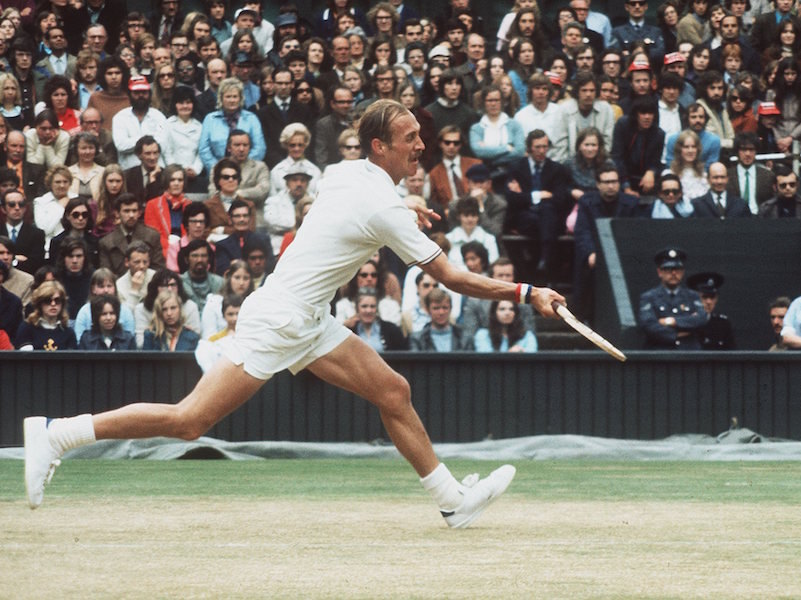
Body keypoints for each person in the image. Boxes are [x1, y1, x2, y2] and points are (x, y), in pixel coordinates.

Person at [24, 100, 565, 528]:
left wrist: (406, 207)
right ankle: (57, 435)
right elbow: (451, 277)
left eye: (421, 139)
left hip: (306, 317)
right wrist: (527, 291)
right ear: (380, 146)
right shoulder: (380, 202)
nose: (420, 147)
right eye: (410, 141)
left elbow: (356, 204)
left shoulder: (350, 172)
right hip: (281, 318)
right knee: (189, 421)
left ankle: (452, 501)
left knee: (393, 391)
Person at [573, 162, 641, 321]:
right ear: (598, 184)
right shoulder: (587, 202)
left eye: (614, 182)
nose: (611, 186)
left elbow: (635, 233)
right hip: (595, 253)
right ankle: (586, 318)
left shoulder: (631, 203)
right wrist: (590, 253)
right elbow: (583, 231)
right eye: (606, 182)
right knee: (585, 267)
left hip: (623, 253)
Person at [638, 247, 708, 349]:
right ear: (659, 272)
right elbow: (648, 325)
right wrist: (676, 335)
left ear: (683, 272)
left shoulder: (693, 296)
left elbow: (701, 319)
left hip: (689, 353)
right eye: (668, 269)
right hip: (659, 353)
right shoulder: (649, 297)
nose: (674, 273)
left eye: (677, 269)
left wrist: (671, 321)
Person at [199, 77, 266, 174]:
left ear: (241, 98)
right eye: (228, 96)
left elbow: (259, 148)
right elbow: (204, 149)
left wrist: (241, 168)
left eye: (235, 96)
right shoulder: (210, 119)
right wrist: (218, 169)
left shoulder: (251, 118)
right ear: (221, 98)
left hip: (247, 173)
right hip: (217, 172)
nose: (232, 100)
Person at [98, 193, 165, 277]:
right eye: (126, 211)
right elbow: (107, 275)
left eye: (134, 211)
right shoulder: (107, 242)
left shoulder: (152, 236)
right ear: (117, 213)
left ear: (139, 213)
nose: (131, 215)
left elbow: (159, 270)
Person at [134, 268, 202, 347]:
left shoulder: (190, 306)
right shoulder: (141, 309)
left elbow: (195, 339)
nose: (169, 289)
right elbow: (140, 344)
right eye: (164, 285)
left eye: (172, 285)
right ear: (155, 288)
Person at [111, 76, 168, 171]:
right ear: (129, 95)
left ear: (149, 94)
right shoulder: (120, 117)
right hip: (129, 171)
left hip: (156, 170)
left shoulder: (159, 116)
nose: (141, 95)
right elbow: (121, 145)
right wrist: (147, 140)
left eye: (144, 92)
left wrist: (134, 143)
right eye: (136, 93)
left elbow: (162, 145)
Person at [73, 267, 135, 341]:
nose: (106, 290)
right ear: (93, 289)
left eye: (109, 286)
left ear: (115, 288)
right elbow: (79, 340)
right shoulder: (84, 312)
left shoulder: (125, 311)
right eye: (101, 286)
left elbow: (130, 339)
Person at [447, 163, 507, 237]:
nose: (478, 186)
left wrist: (480, 206)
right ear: (468, 184)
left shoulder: (499, 204)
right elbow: (452, 232)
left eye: (482, 182)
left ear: (489, 184)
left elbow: (495, 232)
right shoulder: (455, 205)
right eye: (475, 182)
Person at [15, 279, 77, 350]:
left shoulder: (68, 332)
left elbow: (72, 360)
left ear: (62, 303)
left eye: (57, 300)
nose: (53, 304)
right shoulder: (26, 328)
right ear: (39, 304)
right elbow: (24, 358)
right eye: (48, 300)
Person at [201, 258, 253, 338]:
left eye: (246, 278)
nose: (241, 283)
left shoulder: (255, 303)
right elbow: (208, 336)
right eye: (237, 277)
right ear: (228, 277)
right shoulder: (214, 302)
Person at [727, 132, 775, 214]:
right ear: (737, 152)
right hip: (735, 219)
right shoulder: (727, 175)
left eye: (751, 150)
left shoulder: (768, 175)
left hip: (761, 219)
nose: (748, 154)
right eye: (743, 150)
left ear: (756, 151)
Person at [349, 286, 408, 351]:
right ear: (357, 309)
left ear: (377, 308)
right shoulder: (349, 331)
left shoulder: (392, 330)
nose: (369, 310)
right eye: (364, 306)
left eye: (372, 306)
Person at [687, 271, 735, 350]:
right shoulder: (683, 321)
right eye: (704, 297)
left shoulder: (722, 324)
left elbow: (732, 355)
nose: (709, 302)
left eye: (712, 297)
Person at [1, 187, 44, 275]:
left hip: (26, 279)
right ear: (3, 209)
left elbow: (35, 264)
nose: (17, 208)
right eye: (12, 204)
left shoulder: (37, 234)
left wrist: (7, 260)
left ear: (25, 208)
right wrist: (16, 259)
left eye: (21, 204)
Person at [180, 239, 223, 314]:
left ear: (209, 259)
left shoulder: (220, 282)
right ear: (187, 259)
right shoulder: (179, 283)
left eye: (203, 256)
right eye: (195, 256)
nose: (199, 260)